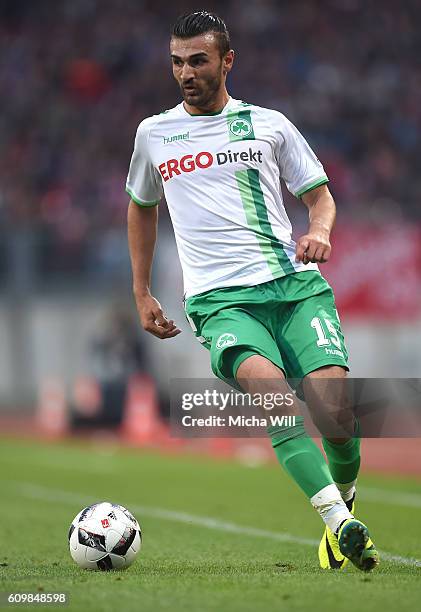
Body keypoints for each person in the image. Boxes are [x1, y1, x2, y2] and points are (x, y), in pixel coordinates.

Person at [126, 10, 378, 572]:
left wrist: (319, 231)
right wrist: (141, 291)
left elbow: (320, 195)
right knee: (277, 402)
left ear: (227, 61)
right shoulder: (154, 134)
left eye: (197, 60)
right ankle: (341, 525)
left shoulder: (270, 124)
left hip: (294, 287)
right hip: (221, 301)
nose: (185, 73)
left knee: (335, 411)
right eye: (176, 62)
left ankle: (346, 497)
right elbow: (141, 208)